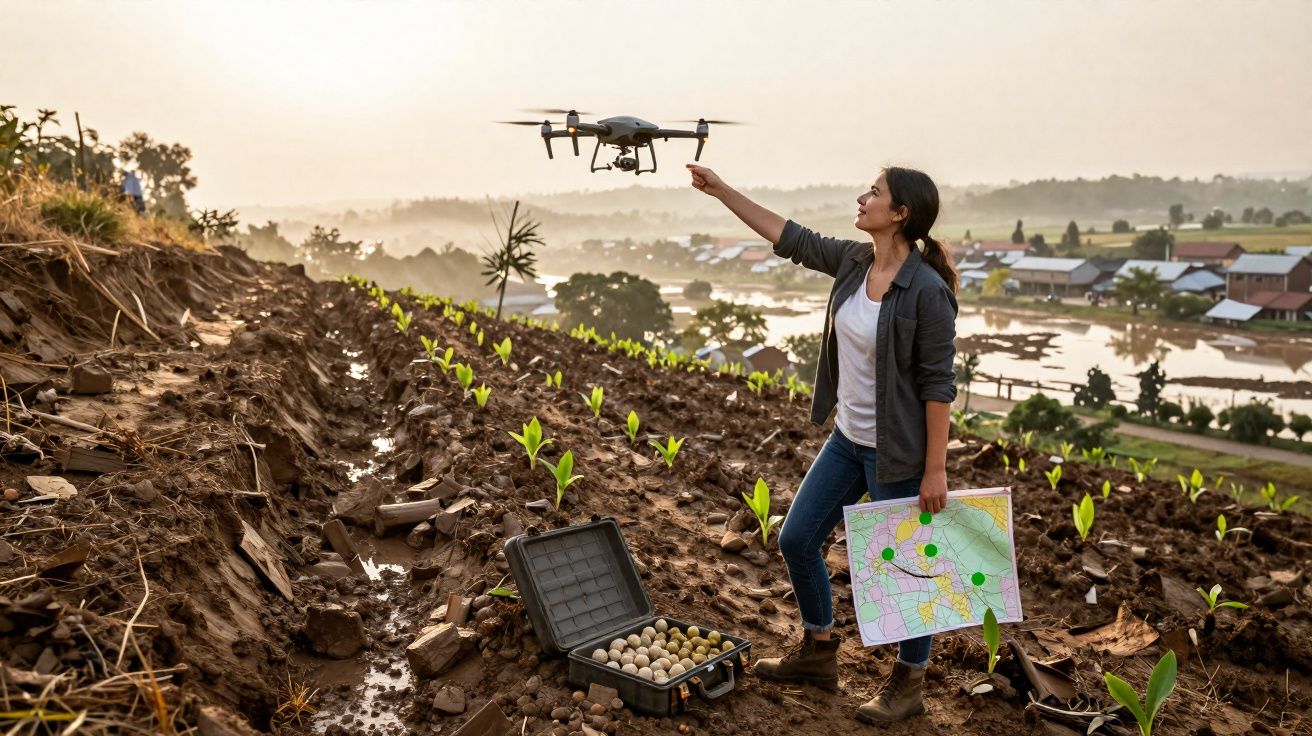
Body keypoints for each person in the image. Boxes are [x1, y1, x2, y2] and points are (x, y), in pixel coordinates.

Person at [686, 162, 958, 725]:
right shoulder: (855, 261)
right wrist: (721, 190)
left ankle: (909, 683)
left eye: (874, 193)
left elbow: (938, 386)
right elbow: (791, 237)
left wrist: (935, 469)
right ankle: (818, 650)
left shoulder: (927, 292)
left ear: (900, 213)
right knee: (797, 538)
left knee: (905, 570)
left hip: (898, 453)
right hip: (848, 439)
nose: (862, 198)